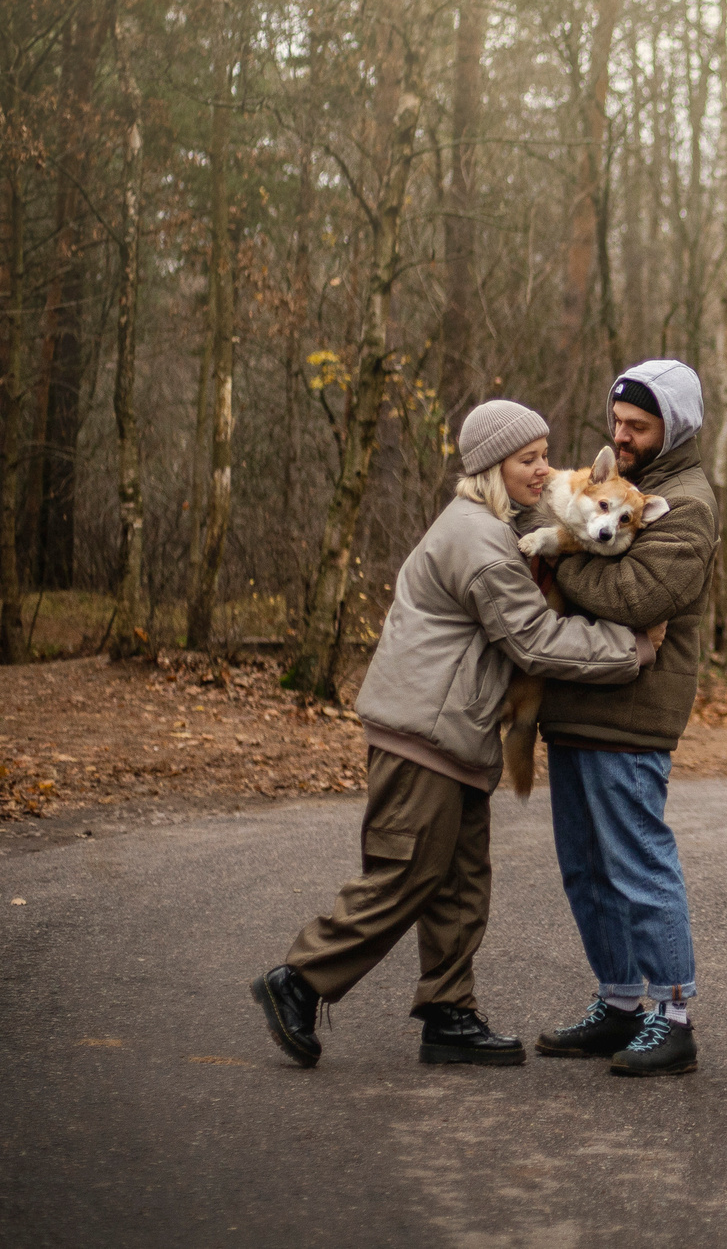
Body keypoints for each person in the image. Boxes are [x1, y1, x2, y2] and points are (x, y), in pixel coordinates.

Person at [250, 399, 660, 1070]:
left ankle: (449, 1012)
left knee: (463, 880)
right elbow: (531, 637)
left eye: (544, 454)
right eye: (527, 458)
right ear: (490, 464)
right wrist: (631, 649)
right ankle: (297, 981)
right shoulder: (475, 536)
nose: (542, 468)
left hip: (457, 731)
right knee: (406, 871)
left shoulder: (497, 527)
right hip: (425, 733)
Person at [531, 359, 720, 1077]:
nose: (623, 435)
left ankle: (673, 1019)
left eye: (638, 425)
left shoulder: (687, 503)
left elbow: (637, 593)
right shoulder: (626, 481)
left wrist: (558, 565)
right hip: (579, 700)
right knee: (586, 868)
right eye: (617, 422)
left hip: (633, 711)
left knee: (637, 862)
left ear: (673, 425)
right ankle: (618, 1005)